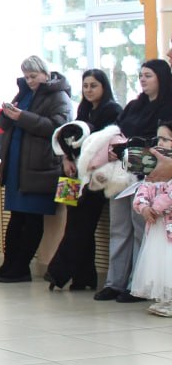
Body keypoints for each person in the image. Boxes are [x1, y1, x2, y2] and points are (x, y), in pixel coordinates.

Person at [0, 56, 72, 284]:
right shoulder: (23, 93)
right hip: (17, 167)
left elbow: (57, 128)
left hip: (39, 168)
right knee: (16, 219)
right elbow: (4, 125)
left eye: (33, 76)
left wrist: (22, 117)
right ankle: (8, 264)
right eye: (26, 77)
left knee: (32, 220)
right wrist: (7, 114)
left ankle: (21, 267)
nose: (30, 81)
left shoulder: (59, 96)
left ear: (46, 74)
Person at [97, 59, 172, 302]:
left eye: (148, 75)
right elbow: (117, 131)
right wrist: (115, 147)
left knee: (141, 228)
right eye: (140, 75)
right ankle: (114, 282)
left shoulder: (168, 107)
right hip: (121, 174)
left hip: (149, 175)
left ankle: (136, 285)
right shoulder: (134, 105)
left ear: (161, 77)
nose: (142, 79)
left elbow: (160, 145)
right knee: (119, 228)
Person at [45, 68, 122, 291]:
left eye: (93, 85)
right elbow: (68, 140)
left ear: (104, 87)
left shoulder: (112, 110)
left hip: (95, 177)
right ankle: (84, 277)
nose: (89, 90)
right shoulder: (83, 109)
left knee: (82, 226)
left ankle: (58, 272)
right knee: (73, 223)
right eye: (85, 86)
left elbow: (106, 146)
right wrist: (66, 159)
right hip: (71, 175)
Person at [130, 121, 172, 316]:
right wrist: (144, 207)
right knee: (158, 263)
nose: (160, 143)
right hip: (157, 227)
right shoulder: (153, 167)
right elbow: (143, 190)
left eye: (165, 139)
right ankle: (162, 297)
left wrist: (156, 207)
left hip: (168, 226)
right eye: (158, 139)